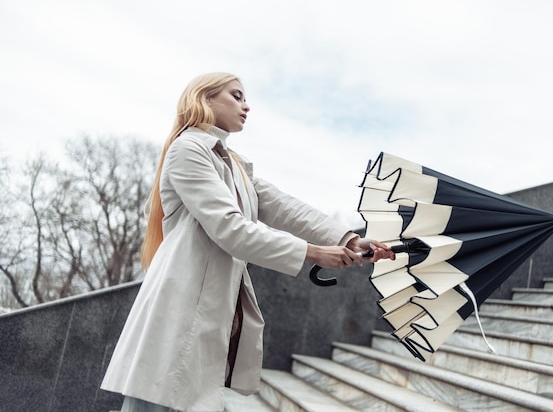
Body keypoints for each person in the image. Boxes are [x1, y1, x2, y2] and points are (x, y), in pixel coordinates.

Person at [100, 72, 395, 412]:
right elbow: (230, 228)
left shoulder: (233, 163)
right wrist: (313, 253)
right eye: (236, 96)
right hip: (181, 305)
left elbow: (284, 207)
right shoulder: (188, 149)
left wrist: (349, 239)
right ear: (205, 99)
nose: (246, 105)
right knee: (157, 399)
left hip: (209, 306)